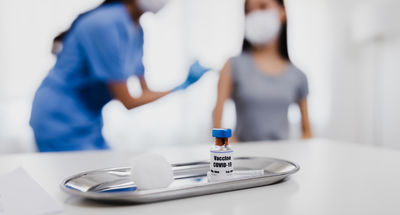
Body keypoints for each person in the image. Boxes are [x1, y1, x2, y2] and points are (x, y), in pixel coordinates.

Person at [30, 0, 209, 152]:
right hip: (58, 119)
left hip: (89, 121)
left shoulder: (137, 30)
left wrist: (182, 84)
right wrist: (180, 87)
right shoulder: (105, 24)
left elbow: (143, 92)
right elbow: (128, 101)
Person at [213, 0, 312, 142]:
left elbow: (307, 132)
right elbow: (217, 123)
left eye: (263, 6)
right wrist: (232, 152)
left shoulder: (298, 75)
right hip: (243, 159)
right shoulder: (232, 65)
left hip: (283, 159)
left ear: (282, 12)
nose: (255, 15)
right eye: (248, 10)